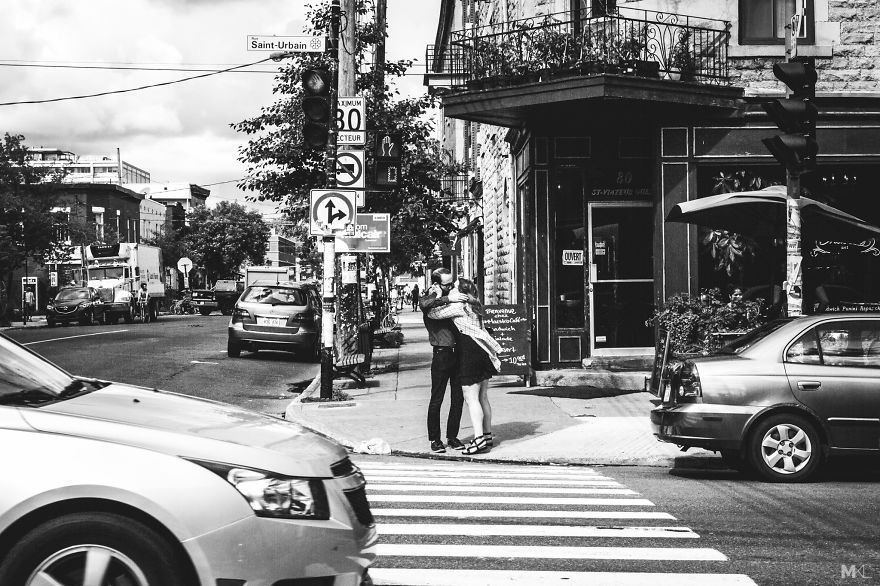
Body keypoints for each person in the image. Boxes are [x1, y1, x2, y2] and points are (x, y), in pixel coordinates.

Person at [427, 278, 502, 455]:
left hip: (470, 354)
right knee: (483, 397)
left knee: (471, 398)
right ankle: (487, 435)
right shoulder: (476, 306)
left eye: (453, 287)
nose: (451, 289)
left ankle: (478, 440)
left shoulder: (459, 306)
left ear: (460, 292)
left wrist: (439, 295)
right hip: (483, 352)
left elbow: (432, 314)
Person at [419, 269, 466, 453]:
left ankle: (452, 436)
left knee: (458, 398)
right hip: (441, 353)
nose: (450, 286)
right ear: (437, 284)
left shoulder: (454, 296)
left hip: (458, 352)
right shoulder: (433, 300)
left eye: (451, 283)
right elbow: (424, 304)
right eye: (446, 284)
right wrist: (446, 298)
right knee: (437, 398)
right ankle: (435, 439)